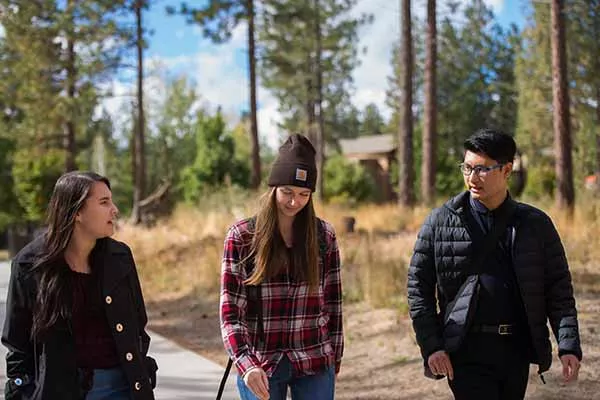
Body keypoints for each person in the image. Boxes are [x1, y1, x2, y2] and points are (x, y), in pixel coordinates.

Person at [407, 129, 582, 399]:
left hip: (516, 351)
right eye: (467, 168)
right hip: (465, 350)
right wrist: (432, 346)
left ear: (507, 170)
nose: (472, 178)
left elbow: (558, 288)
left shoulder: (535, 224)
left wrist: (568, 344)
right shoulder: (439, 222)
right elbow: (418, 289)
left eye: (482, 169)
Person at [2, 171, 158, 399]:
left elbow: (138, 325)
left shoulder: (120, 257)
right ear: (76, 212)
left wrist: (142, 368)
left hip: (123, 389)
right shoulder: (30, 265)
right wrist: (21, 391)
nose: (114, 209)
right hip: (61, 390)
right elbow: (17, 345)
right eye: (104, 202)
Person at [220, 134, 343, 400]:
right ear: (273, 188)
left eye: (303, 194)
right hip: (260, 363)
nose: (293, 202)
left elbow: (333, 304)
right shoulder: (242, 237)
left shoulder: (324, 236)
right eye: (287, 192)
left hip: (315, 360)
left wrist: (335, 356)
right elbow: (230, 313)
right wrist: (245, 363)